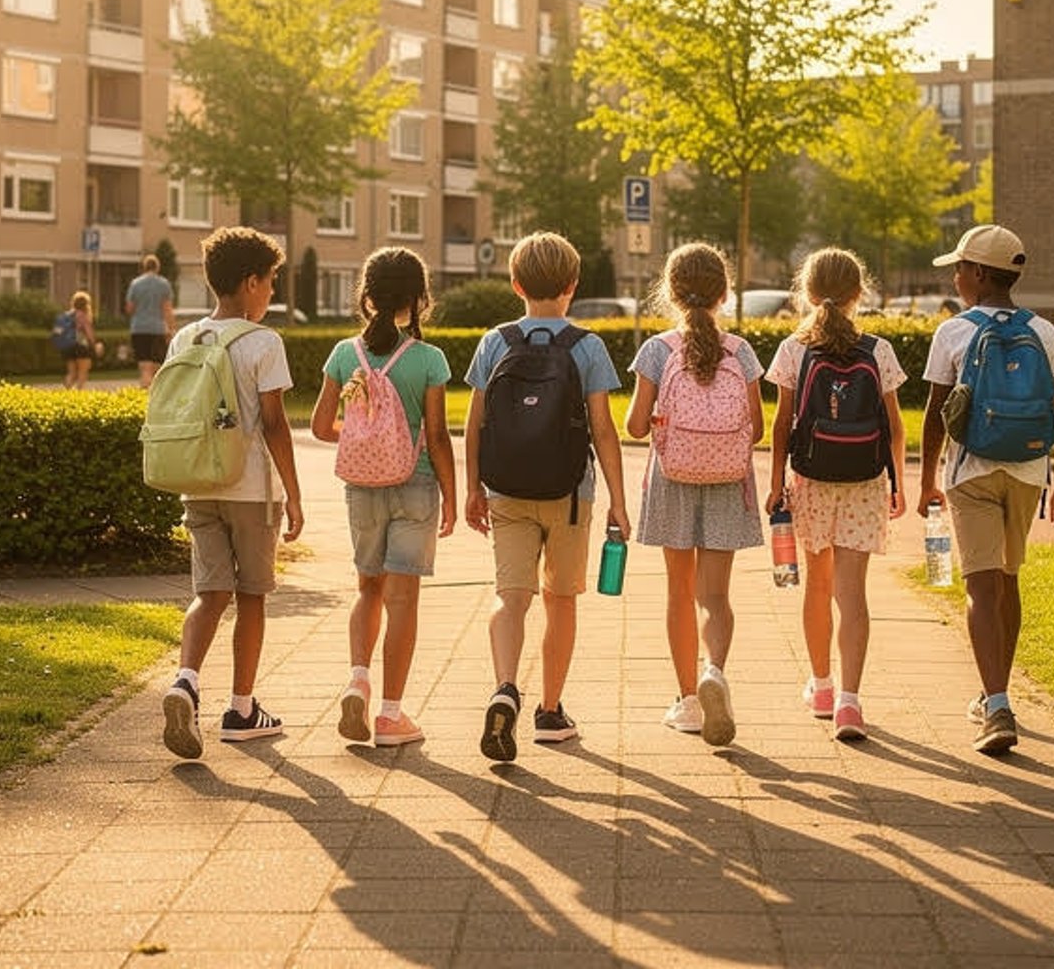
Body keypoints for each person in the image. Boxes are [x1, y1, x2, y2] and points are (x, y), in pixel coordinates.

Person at [463, 231, 630, 761]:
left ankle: (505, 687)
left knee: (510, 596)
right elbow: (604, 431)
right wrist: (619, 503)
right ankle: (550, 711)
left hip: (505, 490)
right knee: (560, 602)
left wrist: (471, 488)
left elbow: (474, 423)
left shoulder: (496, 341)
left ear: (515, 284)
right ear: (573, 286)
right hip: (570, 496)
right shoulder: (588, 346)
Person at [918, 224, 1054, 757]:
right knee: (1008, 581)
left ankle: (998, 702)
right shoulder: (1045, 332)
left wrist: (925, 484)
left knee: (979, 589)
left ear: (980, 274)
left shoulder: (954, 332)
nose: (957, 277)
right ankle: (996, 696)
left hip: (972, 473)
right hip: (1029, 471)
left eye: (960, 268)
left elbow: (938, 417)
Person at [160, 226, 306, 759]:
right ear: (250, 283)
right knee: (251, 596)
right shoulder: (264, 342)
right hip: (250, 490)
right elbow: (274, 424)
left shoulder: (187, 338)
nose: (271, 293)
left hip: (199, 483)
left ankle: (186, 681)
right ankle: (242, 709)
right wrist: (293, 493)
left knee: (208, 593)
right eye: (270, 283)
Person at [309, 248, 456, 749]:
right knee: (403, 601)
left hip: (362, 489)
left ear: (366, 296)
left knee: (367, 589)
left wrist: (360, 434)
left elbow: (320, 427)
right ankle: (391, 715)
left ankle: (357, 680)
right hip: (414, 486)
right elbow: (437, 437)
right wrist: (453, 497)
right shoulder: (429, 359)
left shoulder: (344, 354)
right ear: (418, 299)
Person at [624, 243, 764, 747]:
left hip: (674, 480)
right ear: (725, 293)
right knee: (716, 596)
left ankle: (686, 700)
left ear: (671, 293)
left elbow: (637, 426)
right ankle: (716, 674)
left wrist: (664, 418)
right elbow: (758, 429)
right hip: (728, 481)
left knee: (678, 593)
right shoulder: (741, 351)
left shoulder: (657, 351)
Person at [765, 246, 907, 742]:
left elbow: (782, 424)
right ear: (858, 294)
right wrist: (899, 484)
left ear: (806, 293)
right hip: (865, 483)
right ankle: (850, 701)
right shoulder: (879, 350)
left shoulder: (793, 350)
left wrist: (774, 482)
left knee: (817, 587)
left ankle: (821, 687)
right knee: (853, 594)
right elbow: (894, 428)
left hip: (812, 480)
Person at [126, 253, 176, 387]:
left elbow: (130, 309)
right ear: (157, 267)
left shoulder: (135, 284)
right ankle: (151, 393)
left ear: (144, 267)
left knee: (144, 366)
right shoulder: (164, 284)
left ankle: (144, 392)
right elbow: (167, 309)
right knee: (155, 366)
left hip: (139, 328)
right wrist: (171, 329)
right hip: (157, 329)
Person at [60, 290, 101, 391]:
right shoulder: (83, 316)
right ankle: (79, 393)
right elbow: (89, 333)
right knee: (83, 372)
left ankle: (65, 393)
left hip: (69, 346)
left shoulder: (67, 315)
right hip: (81, 346)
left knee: (72, 373)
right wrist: (95, 345)